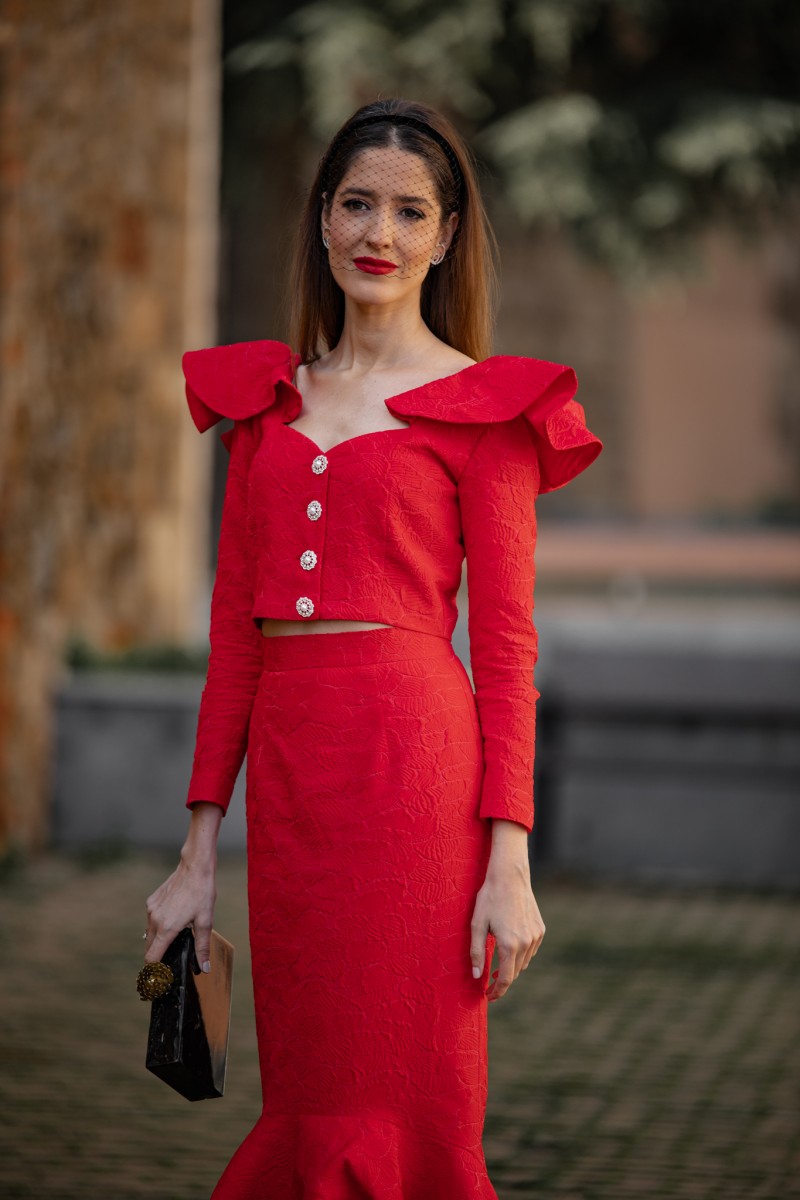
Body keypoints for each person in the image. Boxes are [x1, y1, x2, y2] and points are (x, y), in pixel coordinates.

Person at [143, 97, 602, 1198]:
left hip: (418, 785)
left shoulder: (486, 415)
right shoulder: (263, 405)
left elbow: (503, 650)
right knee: (305, 1094)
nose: (376, 236)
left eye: (406, 211)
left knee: (408, 1095)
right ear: (320, 219)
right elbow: (233, 646)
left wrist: (509, 861)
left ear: (444, 236)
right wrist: (196, 851)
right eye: (354, 204)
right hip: (296, 795)